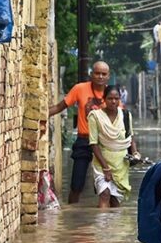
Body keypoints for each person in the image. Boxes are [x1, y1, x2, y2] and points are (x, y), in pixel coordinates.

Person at [49, 61, 114, 204]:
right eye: (97, 73)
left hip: (104, 143)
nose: (100, 77)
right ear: (92, 74)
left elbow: (120, 119)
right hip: (84, 141)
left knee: (109, 185)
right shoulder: (80, 89)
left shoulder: (111, 94)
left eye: (104, 74)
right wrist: (41, 115)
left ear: (108, 76)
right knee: (76, 185)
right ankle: (73, 217)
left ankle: (107, 219)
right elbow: (60, 107)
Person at [88, 86, 138, 209]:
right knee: (104, 194)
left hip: (120, 164)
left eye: (116, 98)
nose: (113, 101)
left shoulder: (126, 115)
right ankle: (103, 227)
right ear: (104, 99)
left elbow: (130, 137)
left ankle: (115, 227)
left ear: (120, 99)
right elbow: (94, 144)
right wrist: (105, 168)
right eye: (110, 98)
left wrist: (136, 153)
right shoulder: (95, 116)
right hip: (101, 163)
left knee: (115, 202)